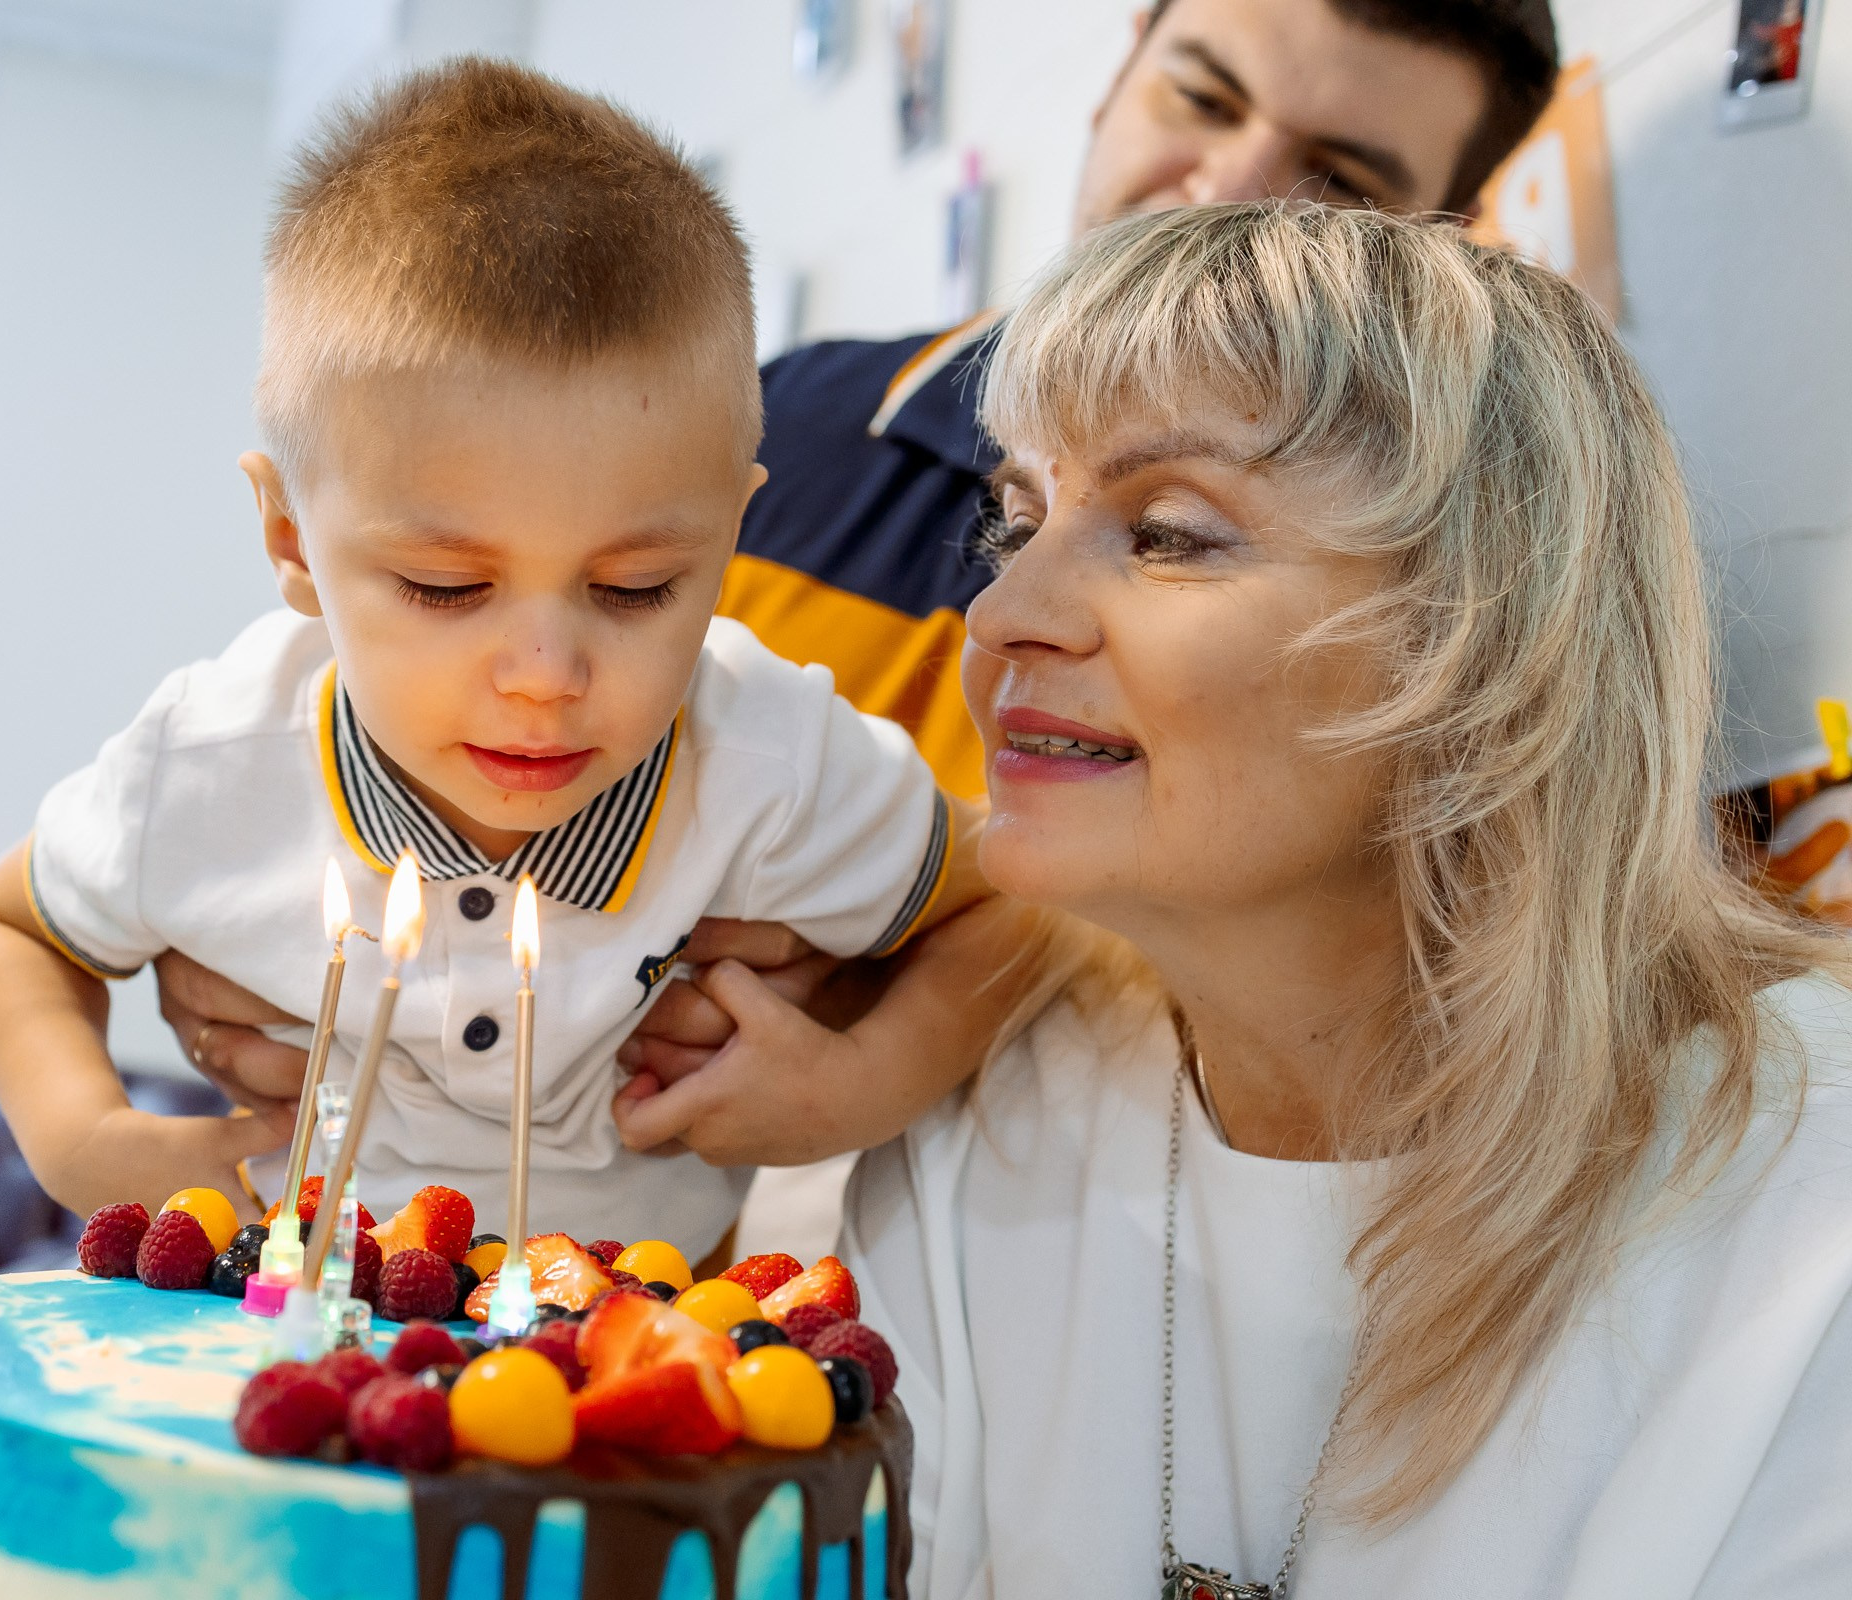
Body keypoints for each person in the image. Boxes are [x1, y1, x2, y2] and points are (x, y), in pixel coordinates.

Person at [153, 0, 1566, 1159]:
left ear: (1441, 242)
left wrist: (912, 984)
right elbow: (360, 758)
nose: (1233, 189)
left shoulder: (1427, 635)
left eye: (1339, 179)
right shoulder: (758, 450)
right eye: (1201, 97)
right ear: (1112, 84)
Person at [717, 201, 1849, 1595]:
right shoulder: (980, 1122)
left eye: (1170, 535)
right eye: (1015, 520)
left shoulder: (1812, 1207)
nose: (1003, 616)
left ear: (1489, 636)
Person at [0, 60, 989, 1255]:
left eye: (636, 587)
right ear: (292, 538)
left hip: (633, 1378)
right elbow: (11, 930)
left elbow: (1003, 903)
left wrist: (864, 1079)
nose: (546, 671)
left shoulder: (774, 756)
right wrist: (84, 1136)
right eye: (448, 588)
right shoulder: (211, 755)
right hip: (301, 1351)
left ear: (730, 536)